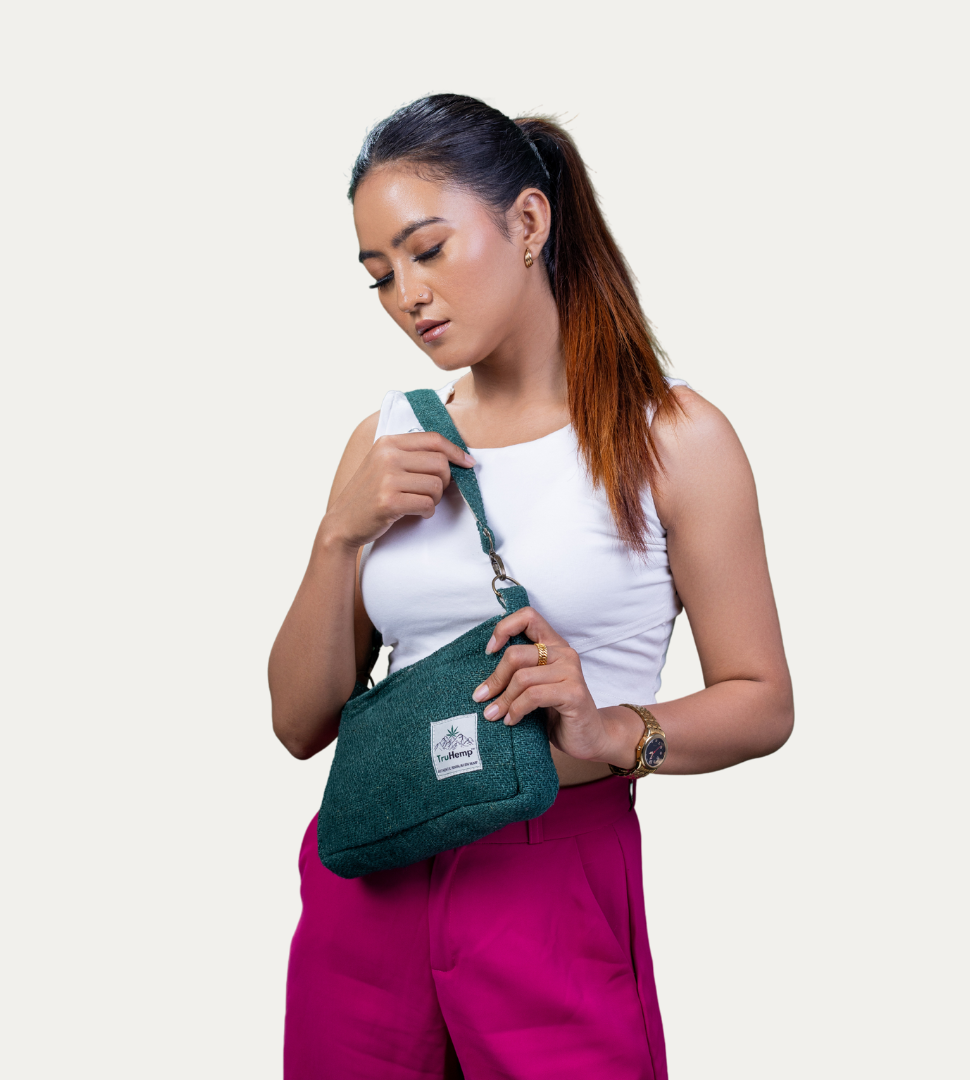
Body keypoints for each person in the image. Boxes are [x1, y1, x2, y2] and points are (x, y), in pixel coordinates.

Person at [268, 93, 793, 1080]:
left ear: (526, 222)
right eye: (379, 275)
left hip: (554, 882)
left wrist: (608, 733)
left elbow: (762, 702)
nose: (407, 296)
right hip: (367, 887)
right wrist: (340, 535)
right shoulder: (385, 443)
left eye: (427, 249)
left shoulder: (672, 439)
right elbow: (298, 724)